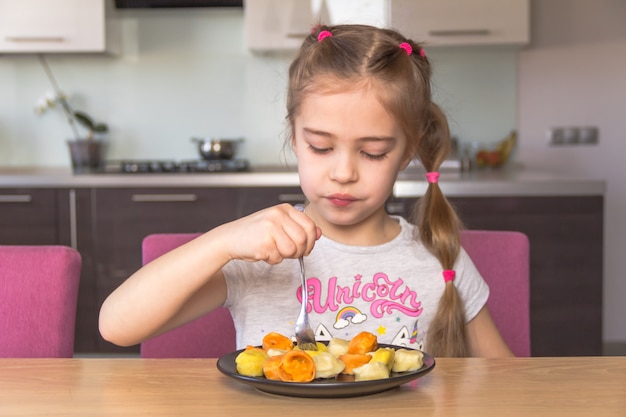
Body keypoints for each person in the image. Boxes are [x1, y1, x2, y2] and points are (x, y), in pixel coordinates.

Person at [99, 24, 513, 358]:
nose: (343, 173)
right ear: (294, 138)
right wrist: (223, 241)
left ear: (407, 152)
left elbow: (508, 383)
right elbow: (116, 326)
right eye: (320, 147)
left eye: (372, 153)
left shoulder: (438, 256)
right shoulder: (261, 253)